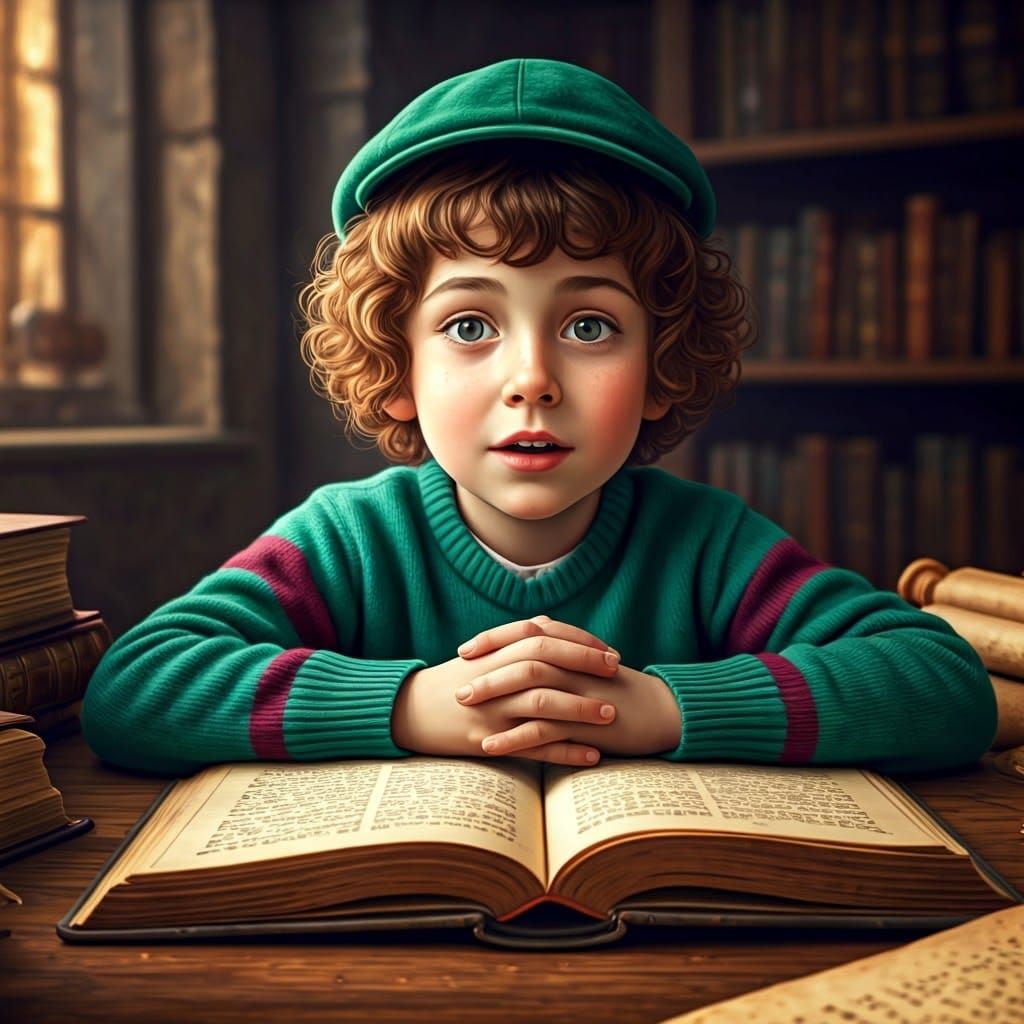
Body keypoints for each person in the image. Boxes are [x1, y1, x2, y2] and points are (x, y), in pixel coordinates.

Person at [81, 58, 996, 776]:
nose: (533, 380)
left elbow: (943, 687)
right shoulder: (348, 540)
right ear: (397, 367)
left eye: (589, 325)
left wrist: (655, 709)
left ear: (661, 368)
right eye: (470, 324)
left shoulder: (711, 547)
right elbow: (134, 689)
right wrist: (413, 707)